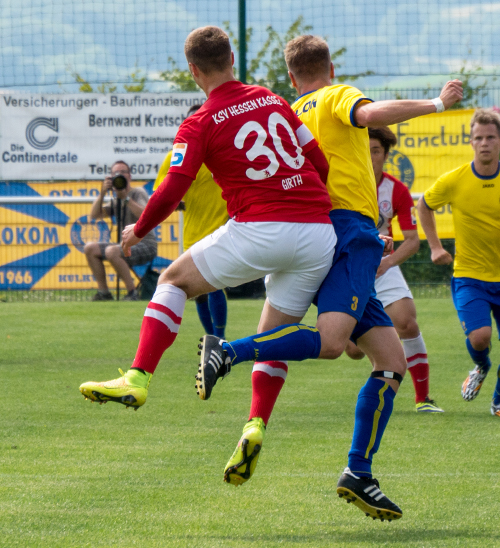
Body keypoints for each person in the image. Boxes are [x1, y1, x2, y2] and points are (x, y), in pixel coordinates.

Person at [198, 35, 463, 521]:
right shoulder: (337, 96)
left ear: (292, 76)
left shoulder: (288, 110)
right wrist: (436, 102)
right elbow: (370, 115)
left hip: (304, 227)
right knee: (332, 341)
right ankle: (227, 351)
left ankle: (345, 465)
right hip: (348, 230)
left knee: (389, 359)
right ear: (331, 68)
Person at [79, 26, 336, 435]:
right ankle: (255, 425)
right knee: (270, 336)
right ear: (232, 60)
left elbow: (171, 189)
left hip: (263, 227)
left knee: (173, 280)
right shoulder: (274, 100)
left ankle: (138, 377)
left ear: (194, 71)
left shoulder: (199, 122)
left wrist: (137, 230)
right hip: (319, 234)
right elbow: (319, 164)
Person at [345, 126, 444, 412]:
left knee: (407, 322)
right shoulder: (344, 185)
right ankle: (381, 364)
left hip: (381, 268)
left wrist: (387, 262)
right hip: (350, 268)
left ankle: (423, 399)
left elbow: (412, 242)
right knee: (350, 350)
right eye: (366, 150)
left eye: (376, 151)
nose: (370, 156)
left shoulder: (395, 190)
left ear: (385, 155)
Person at [417, 108, 500, 418]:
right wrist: (435, 247)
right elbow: (424, 206)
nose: (485, 143)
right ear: (470, 142)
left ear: (499, 140)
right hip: (470, 276)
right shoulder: (455, 180)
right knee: (481, 338)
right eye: (478, 138)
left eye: (491, 137)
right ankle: (481, 365)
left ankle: (498, 402)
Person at [154, 104, 229, 338]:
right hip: (194, 231)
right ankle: (214, 337)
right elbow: (164, 196)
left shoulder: (223, 152)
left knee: (214, 284)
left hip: (224, 230)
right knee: (199, 291)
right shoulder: (177, 156)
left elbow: (164, 197)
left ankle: (219, 337)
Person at [84, 160, 157, 301]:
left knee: (112, 251)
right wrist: (102, 193)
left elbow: (146, 215)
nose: (119, 175)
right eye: (115, 173)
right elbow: (94, 215)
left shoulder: (137, 192)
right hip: (126, 244)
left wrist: (126, 198)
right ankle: (104, 293)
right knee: (90, 248)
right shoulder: (115, 198)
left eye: (123, 172)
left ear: (129, 176)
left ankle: (132, 293)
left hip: (145, 244)